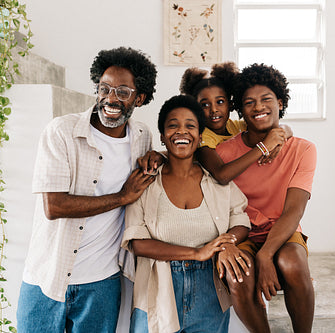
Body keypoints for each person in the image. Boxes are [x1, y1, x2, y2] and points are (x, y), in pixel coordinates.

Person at [16, 46, 157, 333]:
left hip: (102, 282)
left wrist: (160, 156)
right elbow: (54, 206)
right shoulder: (61, 132)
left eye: (123, 92)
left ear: (139, 98)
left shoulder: (142, 137)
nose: (111, 98)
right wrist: (122, 198)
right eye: (104, 88)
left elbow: (156, 159)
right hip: (47, 277)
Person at [122, 95, 251, 333]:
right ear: (162, 135)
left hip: (210, 291)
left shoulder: (216, 181)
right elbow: (137, 243)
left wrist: (228, 243)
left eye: (190, 126)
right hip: (156, 289)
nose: (182, 131)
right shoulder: (145, 181)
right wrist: (196, 253)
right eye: (173, 125)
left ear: (200, 136)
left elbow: (241, 220)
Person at [216, 63, 317, 333]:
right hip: (242, 233)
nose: (258, 107)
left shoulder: (303, 149)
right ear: (240, 110)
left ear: (280, 102)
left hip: (282, 231)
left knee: (292, 263)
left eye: (266, 99)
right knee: (238, 277)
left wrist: (267, 255)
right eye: (249, 102)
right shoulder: (226, 153)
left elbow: (294, 210)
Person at [140, 62, 290, 185]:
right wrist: (264, 147)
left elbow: (277, 128)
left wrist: (284, 131)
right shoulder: (201, 137)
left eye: (220, 102)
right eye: (204, 105)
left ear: (230, 104)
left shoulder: (236, 126)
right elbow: (221, 175)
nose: (214, 110)